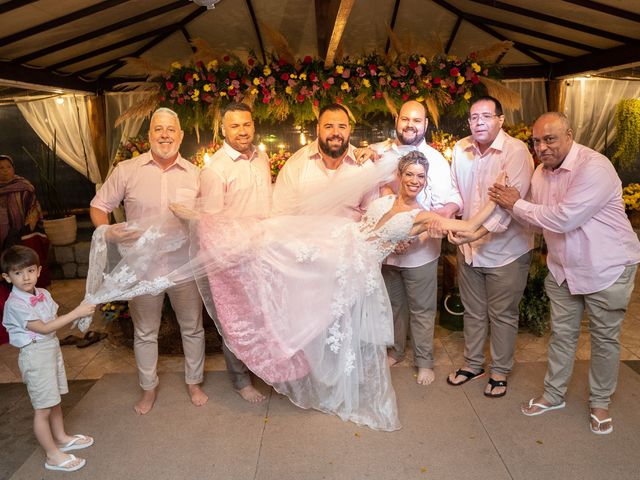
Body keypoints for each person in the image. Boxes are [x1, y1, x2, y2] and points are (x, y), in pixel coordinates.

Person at [86, 150, 503, 431]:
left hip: (356, 264)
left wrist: (500, 205)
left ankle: (331, 383)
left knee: (324, 314)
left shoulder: (420, 215)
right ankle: (209, 225)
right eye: (409, 174)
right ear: (399, 175)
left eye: (420, 177)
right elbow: (369, 171)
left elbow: (466, 228)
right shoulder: (387, 195)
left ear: (426, 182)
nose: (413, 180)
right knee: (272, 239)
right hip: (341, 240)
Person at [489, 112, 640, 434]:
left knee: (604, 339)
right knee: (561, 336)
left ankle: (600, 402)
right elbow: (535, 221)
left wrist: (516, 204)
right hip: (563, 270)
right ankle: (553, 395)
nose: (542, 147)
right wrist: (506, 206)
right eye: (536, 141)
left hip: (607, 267)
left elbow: (563, 219)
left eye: (550, 139)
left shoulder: (594, 167)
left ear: (569, 135)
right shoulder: (541, 175)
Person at [89, 107, 208, 415]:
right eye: (158, 129)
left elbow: (209, 216)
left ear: (181, 136)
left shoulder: (196, 174)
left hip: (183, 266)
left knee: (192, 328)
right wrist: (107, 231)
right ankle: (148, 389)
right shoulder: (127, 170)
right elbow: (99, 205)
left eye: (171, 130)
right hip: (142, 268)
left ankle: (194, 383)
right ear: (150, 134)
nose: (164, 135)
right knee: (145, 332)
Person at [446, 95, 534, 398]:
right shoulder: (460, 149)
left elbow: (508, 203)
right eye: (473, 117)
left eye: (486, 116)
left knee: (503, 314)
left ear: (500, 119)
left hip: (506, 248)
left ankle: (499, 370)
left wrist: (474, 232)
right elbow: (455, 189)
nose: (479, 122)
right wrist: (452, 218)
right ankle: (473, 364)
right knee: (472, 311)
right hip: (469, 248)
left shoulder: (516, 152)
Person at [372, 100, 462, 385]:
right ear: (397, 120)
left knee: (422, 309)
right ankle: (396, 351)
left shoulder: (435, 159)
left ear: (425, 125)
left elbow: (442, 205)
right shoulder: (383, 154)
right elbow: (377, 200)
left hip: (421, 251)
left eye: (417, 120)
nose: (410, 125)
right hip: (388, 251)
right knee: (394, 306)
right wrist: (390, 237)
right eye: (405, 119)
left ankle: (424, 361)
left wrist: (412, 235)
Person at [199, 102, 271, 403]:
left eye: (247, 124)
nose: (242, 131)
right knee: (236, 321)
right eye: (235, 126)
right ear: (223, 130)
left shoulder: (261, 158)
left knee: (262, 317)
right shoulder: (216, 169)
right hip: (232, 259)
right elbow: (210, 225)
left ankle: (262, 368)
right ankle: (240, 381)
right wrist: (231, 260)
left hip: (263, 253)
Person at [1, 245, 96, 472]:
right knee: (42, 408)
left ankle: (61, 437)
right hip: (35, 355)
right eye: (17, 273)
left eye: (30, 270)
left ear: (39, 270)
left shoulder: (43, 294)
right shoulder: (15, 303)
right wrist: (76, 313)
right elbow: (43, 328)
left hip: (51, 350)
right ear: (6, 277)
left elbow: (54, 320)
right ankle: (52, 455)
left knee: (53, 399)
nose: (26, 277)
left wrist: (78, 319)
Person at [271, 103, 378, 220]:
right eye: (328, 126)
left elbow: (372, 217)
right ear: (318, 129)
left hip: (350, 237)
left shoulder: (365, 167)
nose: (336, 133)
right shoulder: (296, 165)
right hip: (304, 237)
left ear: (349, 130)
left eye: (342, 126)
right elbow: (281, 217)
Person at [0, 154, 50, 286]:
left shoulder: (24, 187)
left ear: (13, 168)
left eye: (8, 167)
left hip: (22, 233)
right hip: (1, 234)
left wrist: (26, 229)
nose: (5, 170)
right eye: (0, 168)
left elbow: (34, 208)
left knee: (22, 261)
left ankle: (28, 287)